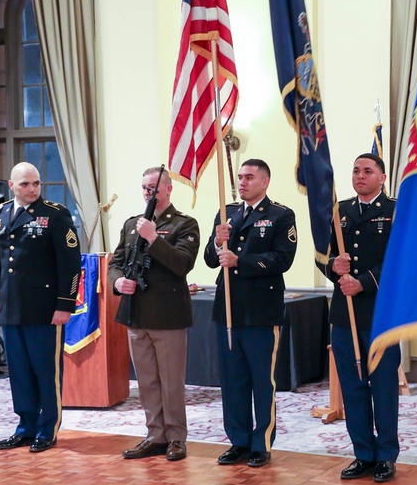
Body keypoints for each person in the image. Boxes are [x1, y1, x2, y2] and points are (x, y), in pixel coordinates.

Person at [204, 159, 297, 468]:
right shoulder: (226, 213)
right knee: (233, 381)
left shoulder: (280, 215)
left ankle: (261, 442)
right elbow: (208, 259)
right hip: (228, 310)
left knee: (261, 380)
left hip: (260, 310)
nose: (242, 182)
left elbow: (282, 259)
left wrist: (240, 262)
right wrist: (217, 241)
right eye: (240, 177)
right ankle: (238, 441)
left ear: (265, 182)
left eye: (249, 177)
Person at [109, 166, 200, 462]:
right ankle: (155, 434)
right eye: (146, 187)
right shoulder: (131, 224)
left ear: (168, 189)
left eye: (155, 187)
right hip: (136, 313)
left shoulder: (185, 224)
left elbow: (182, 263)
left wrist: (154, 239)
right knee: (147, 381)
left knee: (171, 381)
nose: (150, 192)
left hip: (168, 315)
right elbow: (117, 261)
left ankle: (176, 437)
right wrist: (117, 281)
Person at [0, 161, 81, 453]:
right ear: (11, 185)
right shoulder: (1, 213)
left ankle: (47, 429)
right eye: (26, 184)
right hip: (12, 309)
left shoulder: (55, 215)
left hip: (45, 310)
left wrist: (65, 304)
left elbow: (71, 266)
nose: (32, 189)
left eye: (36, 183)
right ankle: (25, 427)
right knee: (19, 372)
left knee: (45, 372)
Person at [323, 153, 400, 483]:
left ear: (382, 178)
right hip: (345, 315)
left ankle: (385, 455)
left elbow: (400, 263)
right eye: (355, 170)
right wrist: (333, 268)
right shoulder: (341, 211)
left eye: (368, 171)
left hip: (381, 314)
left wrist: (364, 282)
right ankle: (363, 454)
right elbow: (328, 258)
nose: (360, 175)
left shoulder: (395, 211)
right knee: (352, 387)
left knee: (382, 387)